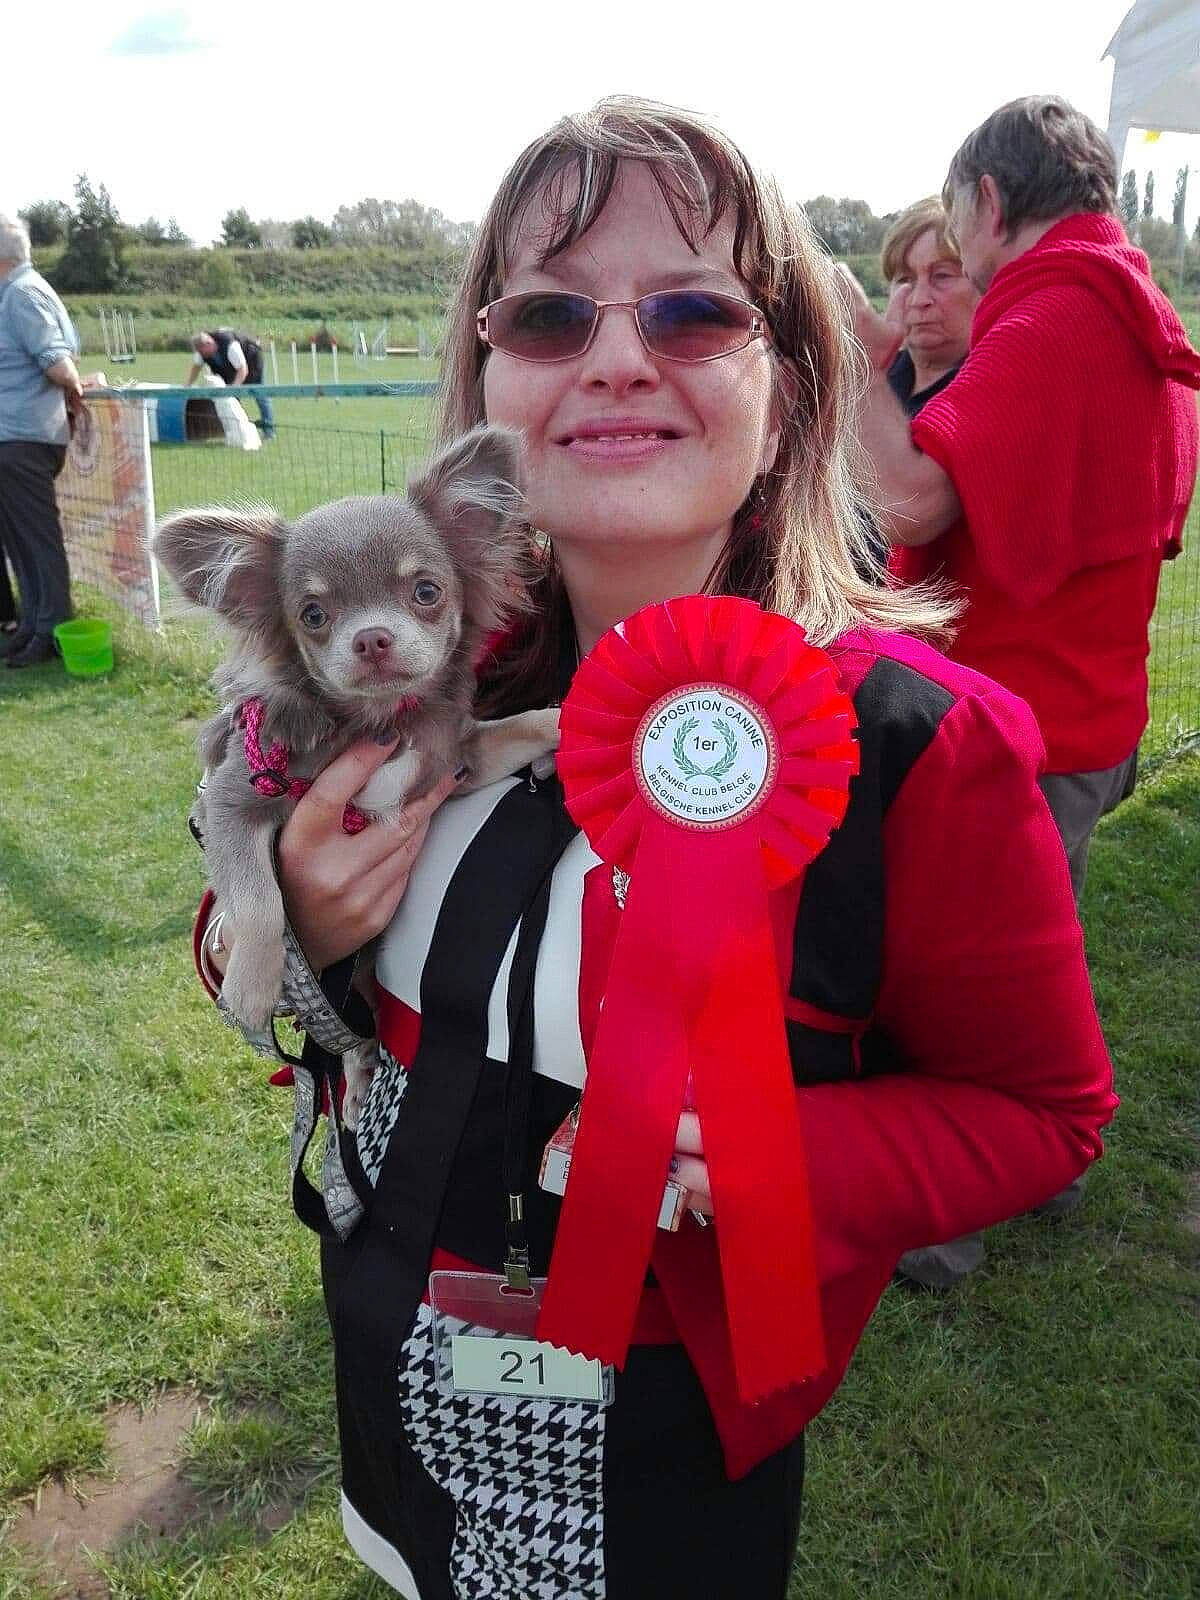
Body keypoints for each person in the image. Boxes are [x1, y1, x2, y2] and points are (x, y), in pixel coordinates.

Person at [191, 100, 1117, 1599]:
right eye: (551, 312)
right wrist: (284, 916)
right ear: (487, 377)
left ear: (795, 383)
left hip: (668, 1424)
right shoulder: (421, 681)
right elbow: (255, 958)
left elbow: (1046, 1112)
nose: (618, 355)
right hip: (386, 1336)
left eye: (693, 309)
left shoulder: (913, 747)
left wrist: (779, 1158)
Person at [842, 96, 1200, 1290]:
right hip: (1087, 711)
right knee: (1035, 959)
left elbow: (909, 508)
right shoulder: (1130, 310)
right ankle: (1049, 1166)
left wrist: (854, 358)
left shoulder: (1053, 315)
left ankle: (945, 1228)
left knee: (961, 984)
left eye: (957, 224)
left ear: (989, 204)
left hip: (1018, 726)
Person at [0, 213, 83, 668]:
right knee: (19, 541)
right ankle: (32, 623)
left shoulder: (22, 295)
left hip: (23, 437)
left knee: (36, 540)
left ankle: (51, 629)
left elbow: (57, 362)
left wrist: (72, 384)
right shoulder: (14, 293)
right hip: (13, 437)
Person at [879, 195, 979, 418]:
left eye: (942, 276)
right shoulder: (872, 378)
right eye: (905, 280)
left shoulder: (991, 392)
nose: (919, 299)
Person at [186, 328, 275, 438]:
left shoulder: (230, 345)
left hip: (252, 362)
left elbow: (243, 369)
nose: (204, 356)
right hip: (228, 369)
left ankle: (269, 431)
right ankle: (235, 430)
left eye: (204, 352)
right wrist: (188, 385)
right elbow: (196, 367)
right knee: (230, 400)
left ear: (208, 343)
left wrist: (233, 389)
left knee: (260, 395)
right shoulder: (201, 351)